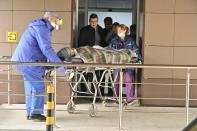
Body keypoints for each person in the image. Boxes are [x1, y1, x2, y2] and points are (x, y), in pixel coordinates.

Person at [11, 12, 64, 121]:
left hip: (24, 61)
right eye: (57, 20)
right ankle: (35, 113)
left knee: (30, 87)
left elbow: (41, 49)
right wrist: (61, 67)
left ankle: (30, 113)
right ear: (50, 19)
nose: (59, 23)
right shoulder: (42, 29)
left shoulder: (40, 27)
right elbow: (47, 49)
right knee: (38, 87)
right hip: (28, 61)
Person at [108, 24, 141, 103]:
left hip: (128, 64)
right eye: (117, 31)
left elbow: (137, 54)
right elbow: (108, 51)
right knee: (116, 81)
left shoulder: (130, 41)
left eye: (120, 31)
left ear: (125, 30)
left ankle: (130, 98)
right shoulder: (114, 40)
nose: (118, 32)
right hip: (117, 64)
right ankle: (116, 98)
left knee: (129, 81)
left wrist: (135, 61)